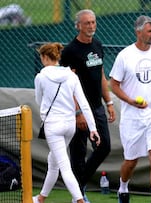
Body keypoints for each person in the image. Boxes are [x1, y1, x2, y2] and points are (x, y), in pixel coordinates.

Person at [109, 15, 151, 203]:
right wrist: (130, 100)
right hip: (132, 117)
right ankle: (123, 187)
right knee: (131, 161)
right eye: (149, 31)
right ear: (138, 32)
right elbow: (114, 85)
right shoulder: (125, 56)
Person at [59, 9, 116, 203]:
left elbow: (101, 76)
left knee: (104, 146)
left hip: (97, 107)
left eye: (93, 22)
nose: (91, 26)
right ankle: (79, 196)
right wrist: (77, 112)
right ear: (78, 26)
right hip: (77, 110)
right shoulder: (69, 52)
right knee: (79, 152)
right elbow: (67, 84)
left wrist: (108, 102)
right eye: (87, 23)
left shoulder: (98, 45)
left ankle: (78, 183)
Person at [33, 42, 100, 203]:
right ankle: (41, 198)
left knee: (64, 166)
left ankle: (79, 200)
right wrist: (93, 129)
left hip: (53, 126)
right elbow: (83, 103)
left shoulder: (40, 77)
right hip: (70, 126)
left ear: (44, 57)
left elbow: (39, 100)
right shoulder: (72, 75)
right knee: (53, 161)